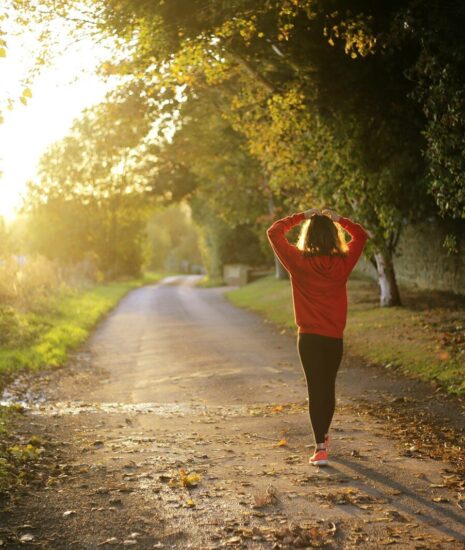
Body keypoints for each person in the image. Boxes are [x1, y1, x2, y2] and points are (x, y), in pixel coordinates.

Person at [266, 207, 369, 466]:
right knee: (328, 387)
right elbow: (361, 235)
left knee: (316, 389)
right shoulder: (343, 263)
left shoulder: (298, 262)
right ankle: (323, 437)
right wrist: (339, 219)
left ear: (308, 236)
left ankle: (320, 447)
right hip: (333, 338)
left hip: (309, 338)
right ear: (333, 236)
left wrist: (302, 215)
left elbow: (274, 232)